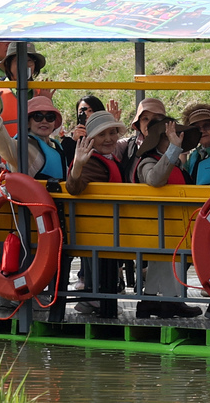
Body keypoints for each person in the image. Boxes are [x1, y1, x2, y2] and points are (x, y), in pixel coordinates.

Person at [132, 114, 202, 318]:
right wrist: (173, 150)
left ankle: (150, 301)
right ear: (157, 140)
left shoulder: (173, 164)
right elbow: (154, 179)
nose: (175, 139)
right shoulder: (147, 162)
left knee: (161, 255)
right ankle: (171, 301)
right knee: (164, 251)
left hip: (170, 227)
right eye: (169, 136)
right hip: (156, 229)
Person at [65, 111, 130, 317]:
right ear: (91, 139)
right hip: (100, 230)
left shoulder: (107, 157)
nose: (109, 139)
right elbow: (73, 187)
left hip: (104, 228)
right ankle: (97, 299)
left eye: (112, 133)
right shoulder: (91, 161)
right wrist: (77, 166)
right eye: (102, 135)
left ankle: (95, 298)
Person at [0, 91, 73, 182]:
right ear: (27, 123)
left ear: (54, 123)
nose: (44, 121)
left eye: (50, 117)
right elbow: (3, 146)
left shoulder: (54, 146)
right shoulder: (24, 147)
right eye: (38, 117)